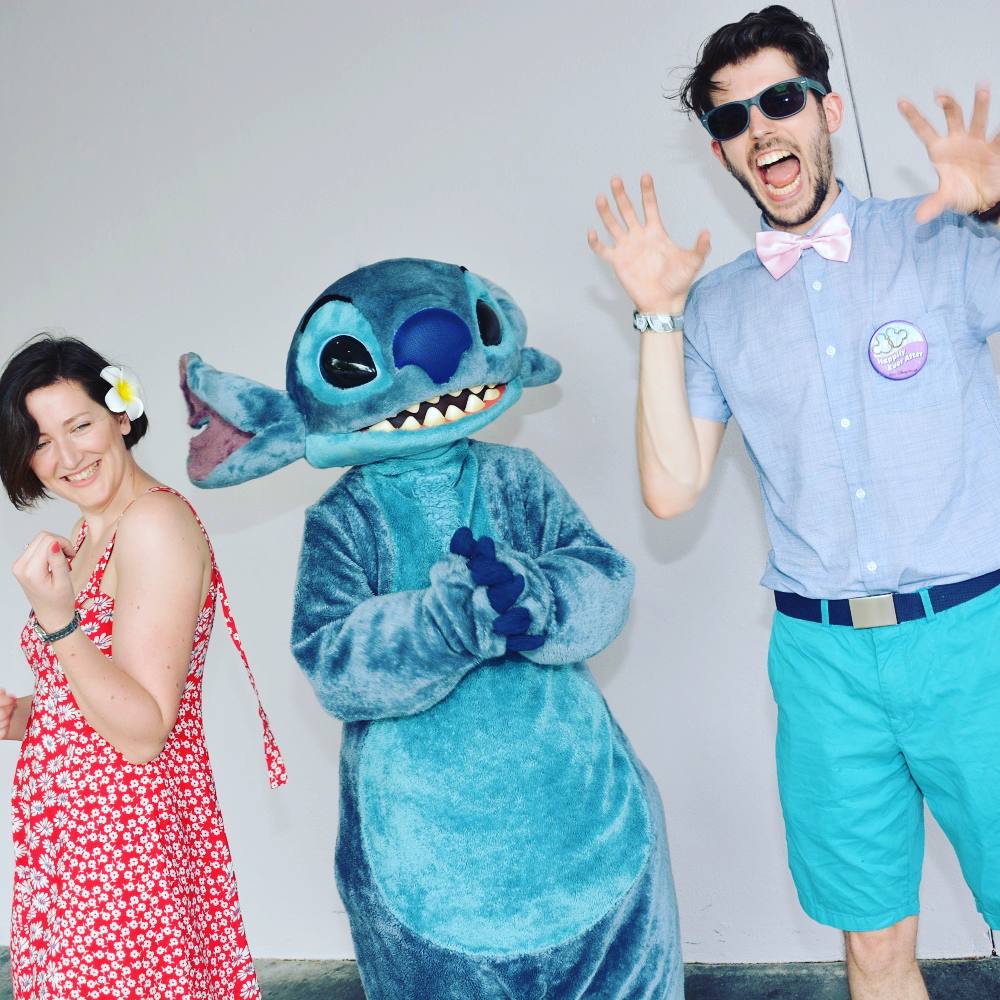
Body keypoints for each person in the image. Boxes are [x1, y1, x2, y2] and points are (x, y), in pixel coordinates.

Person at [588, 5, 1000, 999]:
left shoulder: (942, 239)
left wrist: (995, 213)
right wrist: (656, 316)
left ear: (828, 110)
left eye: (780, 100)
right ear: (721, 150)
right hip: (821, 663)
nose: (760, 128)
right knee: (872, 942)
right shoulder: (717, 308)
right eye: (732, 118)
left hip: (974, 640)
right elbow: (671, 488)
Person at [0, 335, 286, 1000]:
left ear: (120, 415)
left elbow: (146, 730)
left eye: (80, 426)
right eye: (41, 441)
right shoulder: (91, 529)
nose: (67, 457)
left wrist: (57, 621)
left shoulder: (153, 522)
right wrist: (24, 718)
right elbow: (100, 699)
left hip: (127, 852)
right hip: (75, 845)